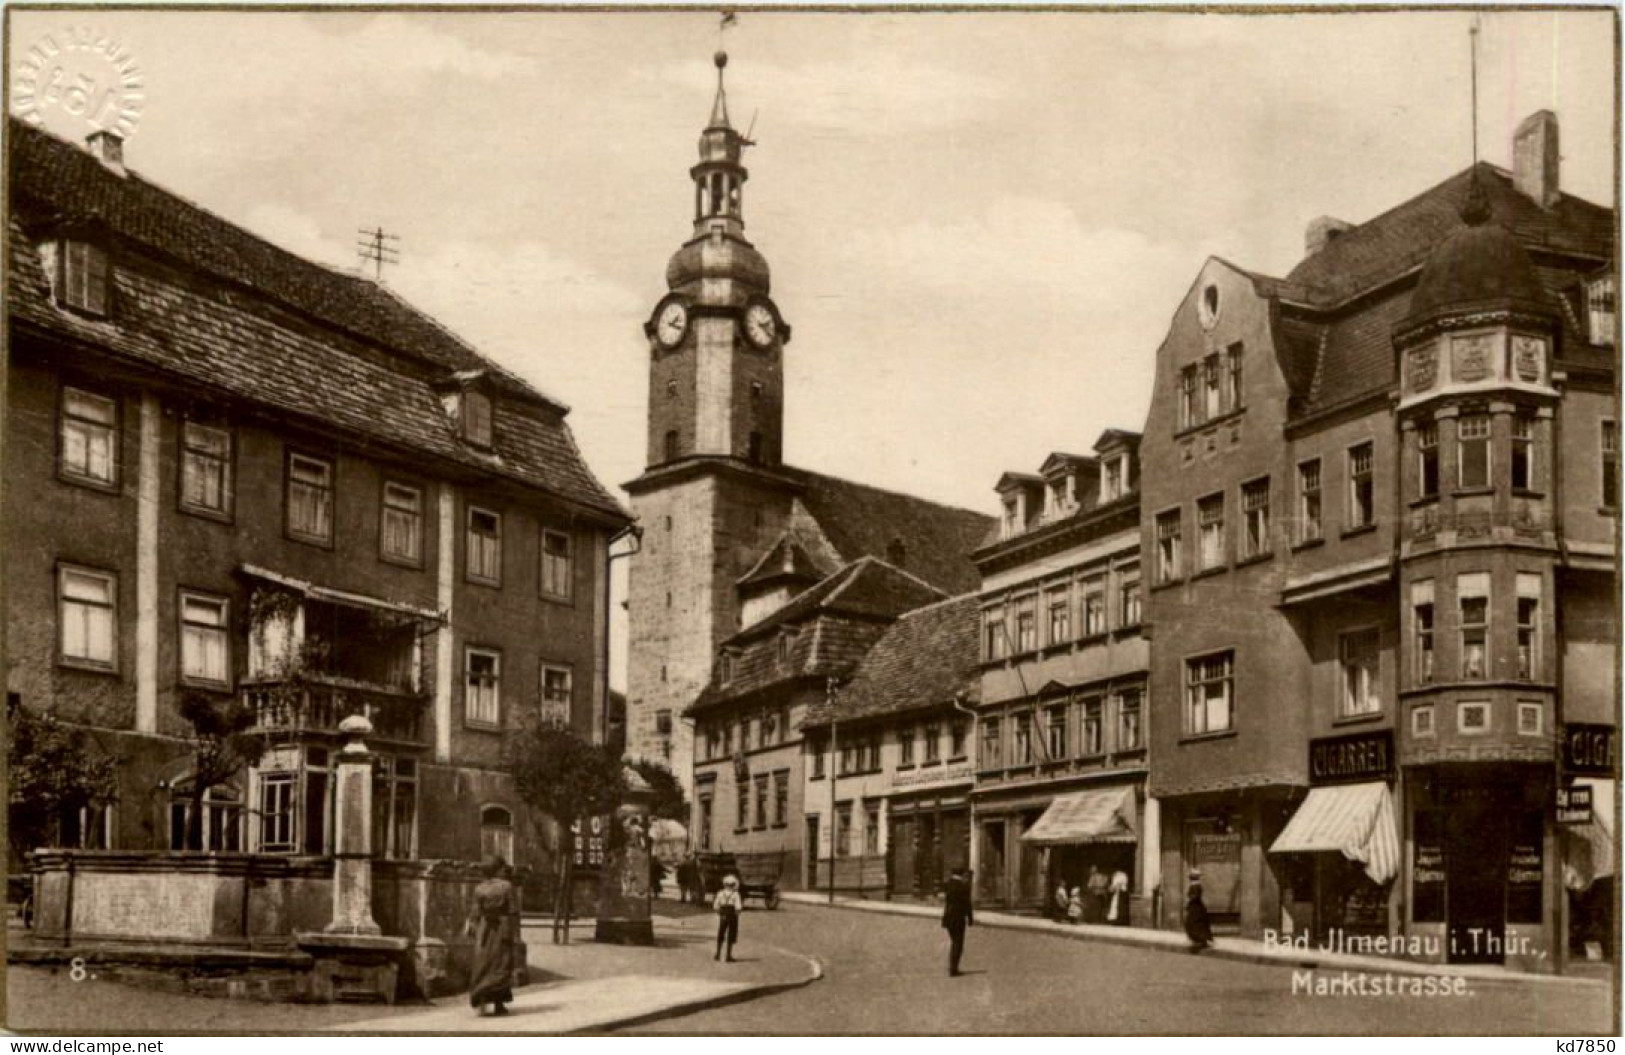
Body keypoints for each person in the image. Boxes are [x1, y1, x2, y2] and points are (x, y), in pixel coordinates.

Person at [466, 854, 517, 1016]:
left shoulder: (479, 888)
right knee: (501, 964)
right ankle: (498, 1004)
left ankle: (481, 998)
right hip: (502, 928)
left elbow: (475, 913)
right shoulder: (507, 886)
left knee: (484, 964)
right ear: (498, 869)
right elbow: (513, 910)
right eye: (503, 867)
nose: (505, 870)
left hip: (485, 930)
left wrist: (474, 929)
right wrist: (513, 931)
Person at [941, 867, 974, 976]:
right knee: (958, 943)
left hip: (948, 917)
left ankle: (952, 966)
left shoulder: (948, 885)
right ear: (961, 874)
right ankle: (953, 969)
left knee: (953, 941)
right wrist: (970, 918)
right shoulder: (963, 887)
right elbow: (967, 904)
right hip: (959, 918)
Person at [714, 874, 743, 962]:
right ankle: (728, 955)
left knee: (721, 932)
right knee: (731, 934)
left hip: (723, 913)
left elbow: (715, 906)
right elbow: (738, 907)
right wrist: (737, 914)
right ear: (734, 885)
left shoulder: (720, 893)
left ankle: (718, 954)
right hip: (732, 914)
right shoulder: (736, 894)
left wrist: (720, 913)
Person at [1185, 869, 1214, 952]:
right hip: (1196, 907)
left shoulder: (1195, 886)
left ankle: (1201, 940)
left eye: (1192, 876)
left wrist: (1190, 899)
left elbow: (1195, 896)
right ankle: (1199, 940)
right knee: (1195, 924)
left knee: (1193, 923)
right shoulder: (1195, 885)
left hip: (1196, 908)